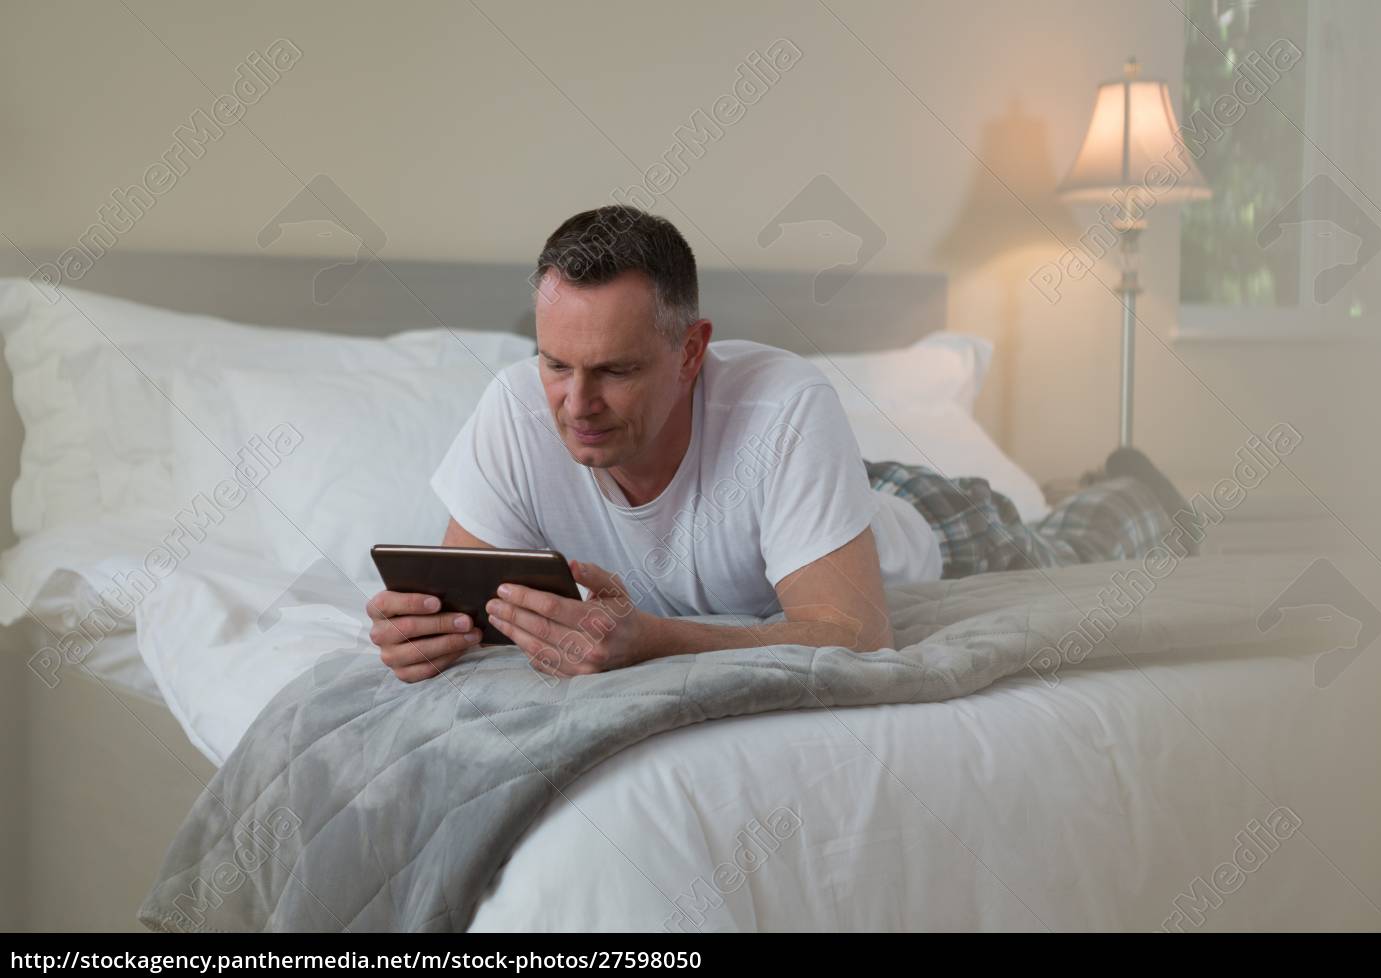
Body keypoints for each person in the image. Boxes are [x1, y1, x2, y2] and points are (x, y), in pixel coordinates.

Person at [367, 206, 1192, 682]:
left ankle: (1130, 482)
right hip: (814, 504)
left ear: (691, 352)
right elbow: (467, 602)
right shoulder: (516, 408)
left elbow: (856, 634)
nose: (575, 403)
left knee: (1073, 539)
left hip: (920, 523)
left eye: (614, 370)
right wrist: (426, 632)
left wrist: (648, 635)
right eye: (555, 363)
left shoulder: (789, 405)